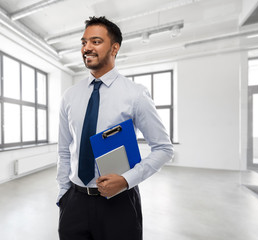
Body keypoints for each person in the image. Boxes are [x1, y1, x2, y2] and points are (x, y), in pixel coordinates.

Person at [56, 16, 174, 240]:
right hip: (75, 201)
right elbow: (64, 148)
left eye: (96, 41)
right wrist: (63, 194)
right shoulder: (70, 96)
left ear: (115, 47)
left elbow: (163, 149)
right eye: (83, 42)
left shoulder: (135, 94)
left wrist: (127, 180)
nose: (87, 48)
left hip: (118, 202)